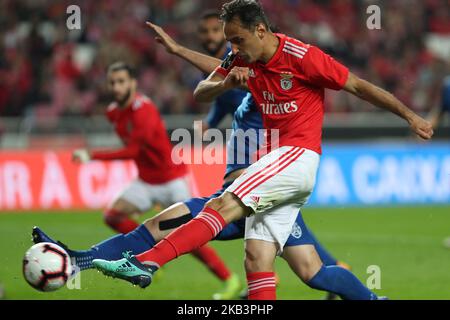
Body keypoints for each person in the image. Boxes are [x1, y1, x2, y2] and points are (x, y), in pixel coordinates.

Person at [92, 0, 432, 300]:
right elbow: (202, 90)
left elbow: (358, 86)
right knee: (285, 263)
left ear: (260, 30)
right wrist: (224, 82)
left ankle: (146, 262)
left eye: (237, 39)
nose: (233, 47)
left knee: (221, 204)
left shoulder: (303, 57)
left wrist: (410, 115)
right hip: (278, 165)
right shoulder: (241, 58)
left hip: (297, 156)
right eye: (229, 41)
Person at [71, 61, 240, 298]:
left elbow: (133, 151)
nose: (116, 87)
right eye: (112, 83)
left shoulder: (145, 110)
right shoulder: (113, 112)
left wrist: (91, 154)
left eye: (121, 82)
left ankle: (229, 279)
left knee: (191, 235)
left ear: (133, 83)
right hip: (146, 181)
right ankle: (140, 255)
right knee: (113, 215)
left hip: (172, 180)